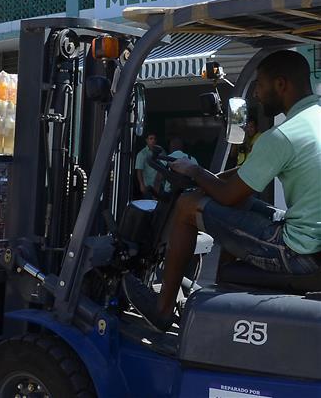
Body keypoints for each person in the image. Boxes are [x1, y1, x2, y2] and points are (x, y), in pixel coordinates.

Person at [125, 50, 321, 331]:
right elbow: (243, 178)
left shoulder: (282, 136)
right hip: (313, 243)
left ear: (281, 84)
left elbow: (229, 194)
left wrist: (194, 173)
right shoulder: (313, 119)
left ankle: (162, 310)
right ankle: (217, 301)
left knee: (187, 205)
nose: (256, 95)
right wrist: (208, 178)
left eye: (261, 86)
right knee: (233, 205)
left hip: (297, 252)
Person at [134, 132, 161, 199]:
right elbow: (139, 170)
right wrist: (141, 185)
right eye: (151, 138)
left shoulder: (161, 151)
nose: (153, 141)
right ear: (147, 140)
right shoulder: (142, 154)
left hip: (160, 186)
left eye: (154, 139)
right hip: (148, 186)